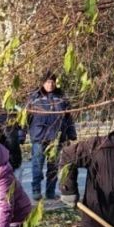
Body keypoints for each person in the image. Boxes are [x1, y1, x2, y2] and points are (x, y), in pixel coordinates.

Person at [27, 71, 77, 200]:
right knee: (37, 166)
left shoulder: (61, 97)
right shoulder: (34, 97)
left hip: (57, 138)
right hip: (39, 137)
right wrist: (21, 136)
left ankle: (50, 192)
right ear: (43, 83)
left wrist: (71, 134)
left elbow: (68, 117)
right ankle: (36, 191)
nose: (50, 84)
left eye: (52, 82)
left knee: (53, 167)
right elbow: (25, 117)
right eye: (48, 82)